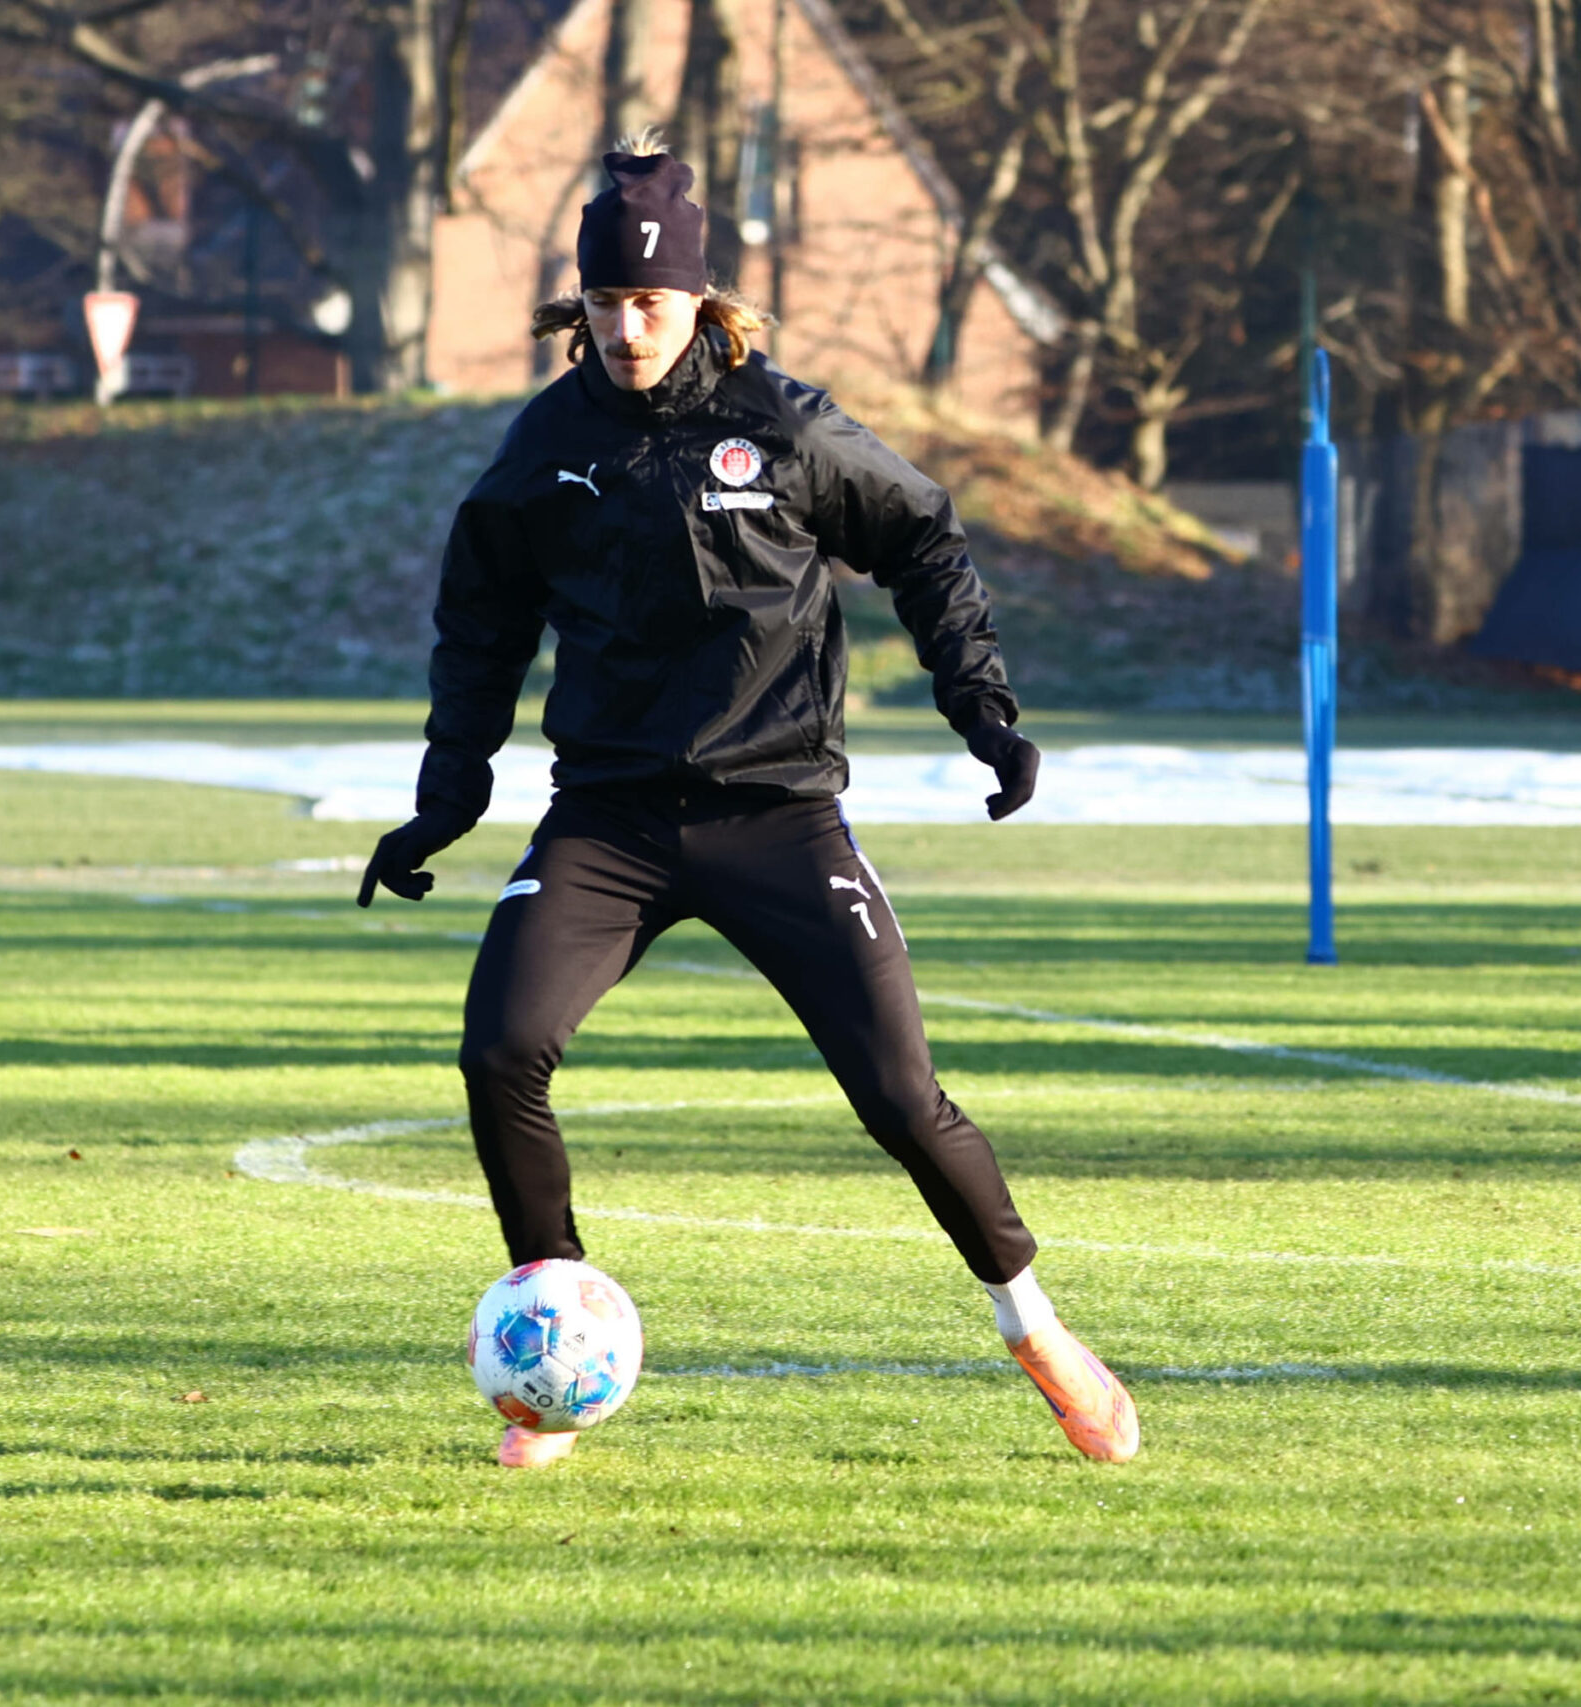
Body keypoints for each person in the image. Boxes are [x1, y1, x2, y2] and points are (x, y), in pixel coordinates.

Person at [359, 135, 1138, 1470]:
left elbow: (929, 539)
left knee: (901, 1096)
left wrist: (982, 712)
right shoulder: (543, 449)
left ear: (700, 302)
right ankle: (555, 1339)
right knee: (501, 1048)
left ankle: (1037, 1331)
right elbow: (476, 628)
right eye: (603, 304)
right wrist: (446, 800)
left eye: (649, 303)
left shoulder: (784, 424)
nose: (624, 326)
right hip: (608, 821)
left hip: (780, 814)